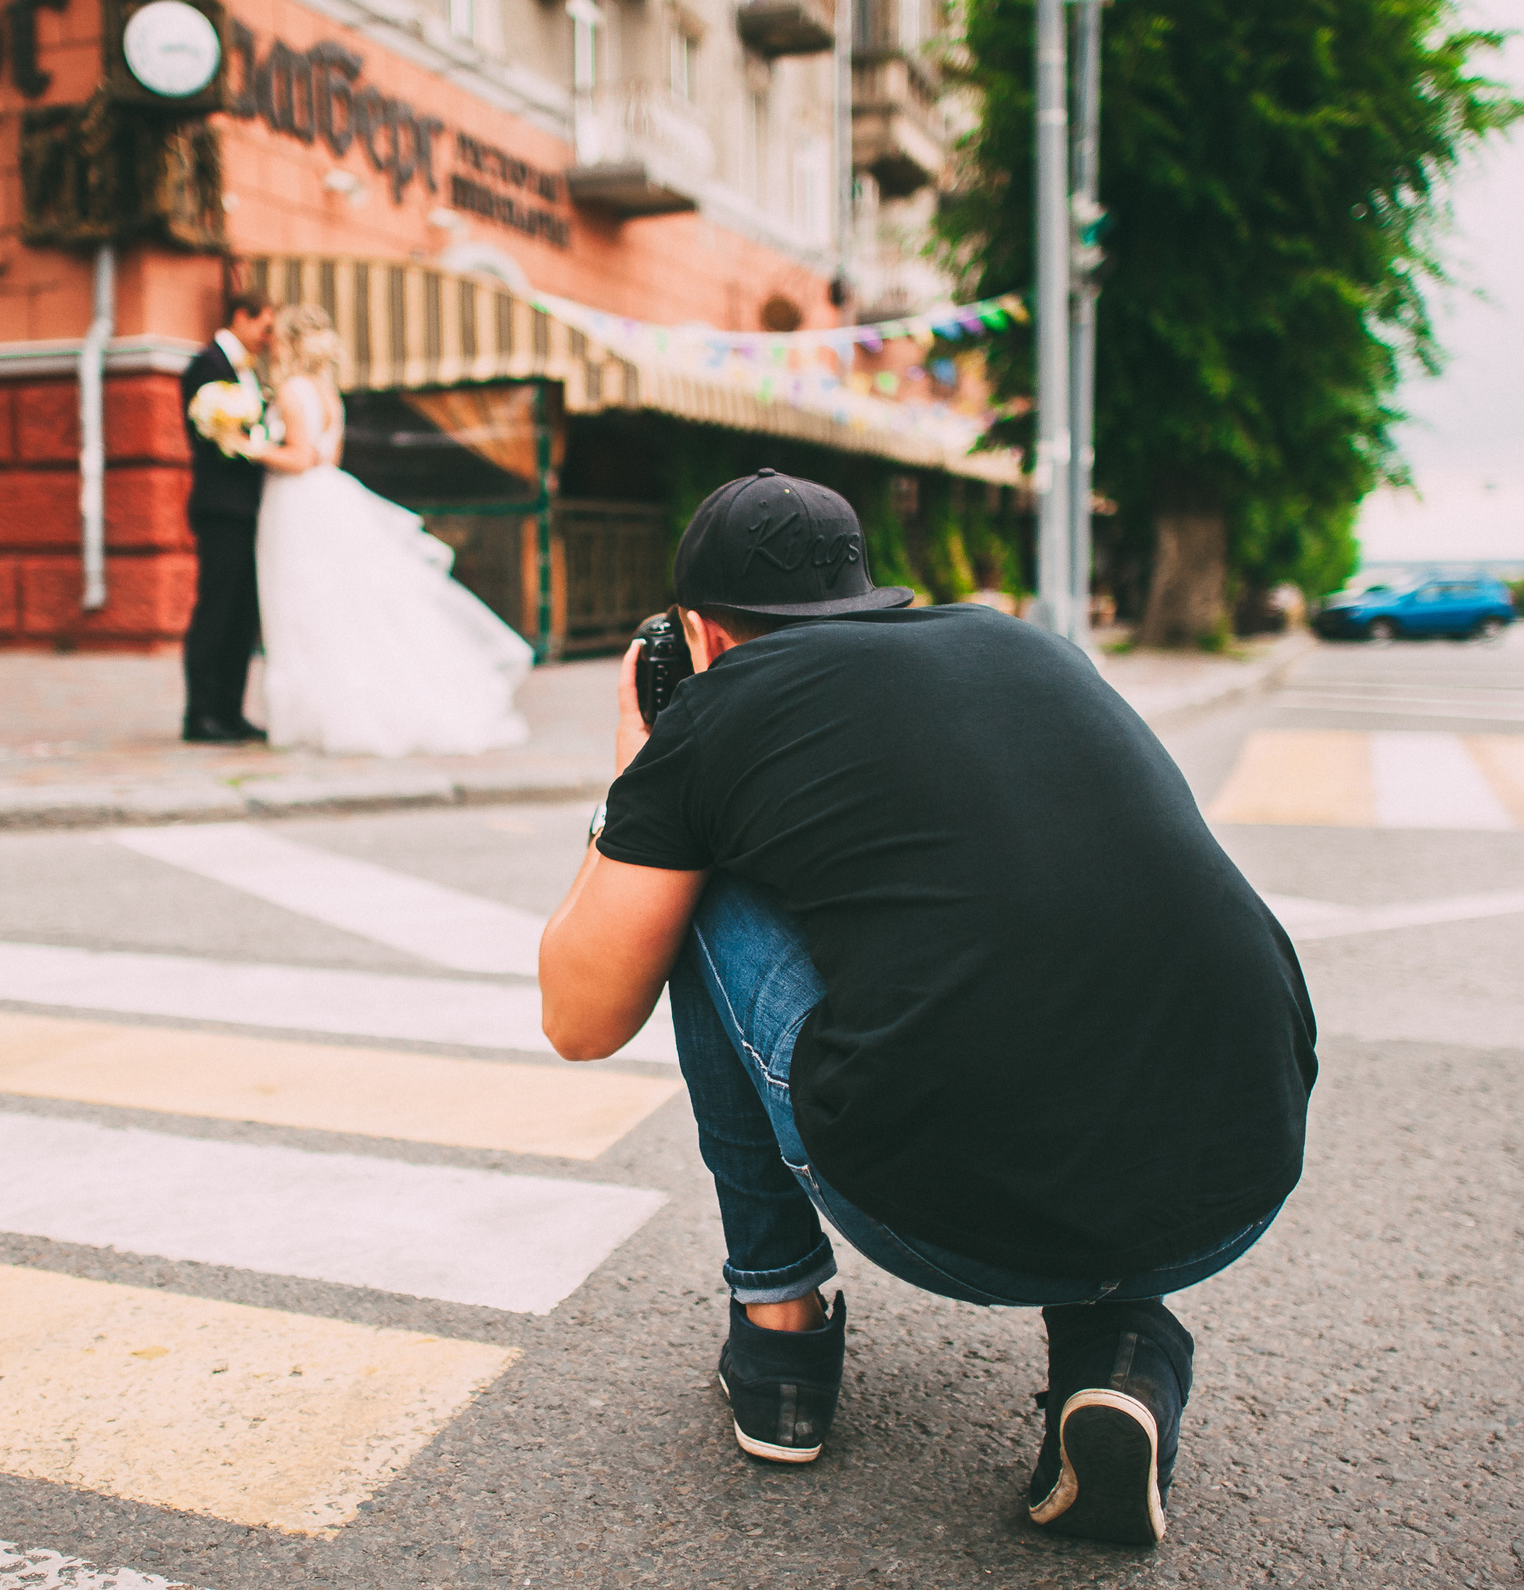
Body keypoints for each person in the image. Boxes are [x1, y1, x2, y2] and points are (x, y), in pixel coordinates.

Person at [538, 469, 1316, 1546]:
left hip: (953, 1223)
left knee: (694, 892)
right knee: (1030, 959)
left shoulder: (719, 712)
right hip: (1241, 1167)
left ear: (699, 636)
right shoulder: (1025, 647)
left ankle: (780, 1340)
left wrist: (640, 775)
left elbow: (580, 1019)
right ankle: (1121, 1350)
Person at [246, 304, 531, 757]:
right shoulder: (326, 391)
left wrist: (250, 447)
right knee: (337, 604)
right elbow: (329, 456)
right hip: (328, 498)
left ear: (289, 343)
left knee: (304, 603)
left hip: (299, 504)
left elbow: (301, 459)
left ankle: (320, 713)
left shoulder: (294, 389)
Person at [179, 291, 278, 744]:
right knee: (217, 611)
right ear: (242, 317)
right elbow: (212, 436)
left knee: (242, 616)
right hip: (221, 509)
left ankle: (230, 712)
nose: (268, 337)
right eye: (265, 326)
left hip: (248, 510)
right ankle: (200, 715)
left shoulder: (247, 372)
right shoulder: (207, 365)